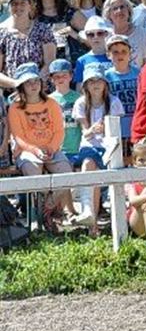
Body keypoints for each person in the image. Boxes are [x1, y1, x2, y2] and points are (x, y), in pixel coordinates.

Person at [8, 63, 75, 228]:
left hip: (51, 148)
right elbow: (18, 136)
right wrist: (35, 150)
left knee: (67, 173)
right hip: (27, 150)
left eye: (35, 81)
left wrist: (51, 148)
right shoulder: (15, 107)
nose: (33, 85)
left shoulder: (51, 104)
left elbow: (59, 131)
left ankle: (48, 206)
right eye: (28, 82)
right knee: (33, 171)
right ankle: (39, 215)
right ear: (21, 86)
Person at [72, 62, 125, 228]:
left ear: (105, 83)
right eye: (91, 81)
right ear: (86, 85)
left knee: (104, 169)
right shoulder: (81, 103)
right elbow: (85, 132)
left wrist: (106, 129)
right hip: (90, 145)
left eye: (98, 80)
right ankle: (89, 214)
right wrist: (94, 129)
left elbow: (116, 133)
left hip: (109, 147)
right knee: (88, 164)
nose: (95, 84)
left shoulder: (114, 102)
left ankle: (97, 217)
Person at [30, 0, 87, 65]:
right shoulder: (32, 16)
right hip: (44, 69)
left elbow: (94, 37)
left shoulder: (69, 12)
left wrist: (75, 35)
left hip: (71, 68)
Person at [0, 0, 56, 83]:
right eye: (14, 4)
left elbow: (49, 63)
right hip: (12, 90)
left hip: (40, 87)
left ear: (30, 6)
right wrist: (16, 84)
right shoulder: (2, 34)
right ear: (9, 8)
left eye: (22, 3)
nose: (18, 7)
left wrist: (33, 83)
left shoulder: (43, 30)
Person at [48, 59, 82, 176]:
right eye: (57, 76)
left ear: (71, 76)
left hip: (76, 146)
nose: (61, 79)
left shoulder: (79, 98)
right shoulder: (48, 100)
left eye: (64, 75)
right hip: (58, 150)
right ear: (51, 79)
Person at [103, 34, 140, 144]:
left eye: (124, 51)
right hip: (115, 127)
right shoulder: (105, 77)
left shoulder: (139, 73)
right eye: (115, 52)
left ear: (130, 53)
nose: (120, 55)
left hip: (136, 124)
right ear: (108, 55)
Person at [103, 0, 146, 68]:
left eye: (122, 7)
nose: (119, 11)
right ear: (108, 14)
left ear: (129, 10)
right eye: (115, 8)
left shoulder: (141, 33)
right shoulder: (105, 36)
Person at [72, 16, 113, 87]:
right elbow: (79, 86)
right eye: (91, 34)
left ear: (106, 34)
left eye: (100, 33)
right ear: (86, 37)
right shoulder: (81, 60)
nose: (95, 37)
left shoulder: (114, 56)